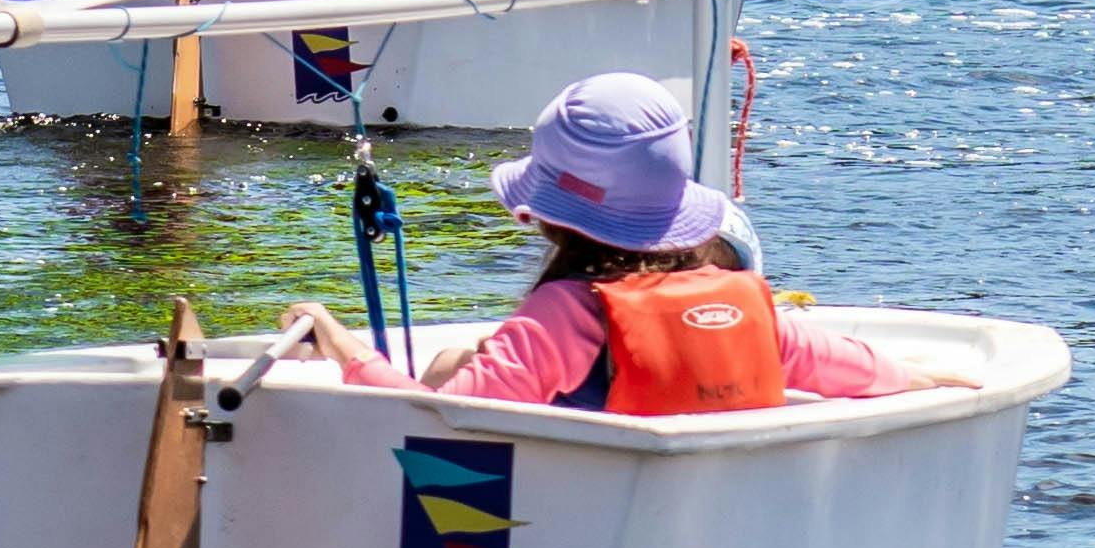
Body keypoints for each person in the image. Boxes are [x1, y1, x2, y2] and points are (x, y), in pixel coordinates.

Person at [276, 76, 905, 411]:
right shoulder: (746, 302)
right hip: (699, 519)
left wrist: (339, 342)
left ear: (550, 217)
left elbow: (435, 414)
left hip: (585, 517)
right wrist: (942, 381)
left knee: (448, 372)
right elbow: (857, 370)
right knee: (455, 360)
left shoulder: (567, 315)